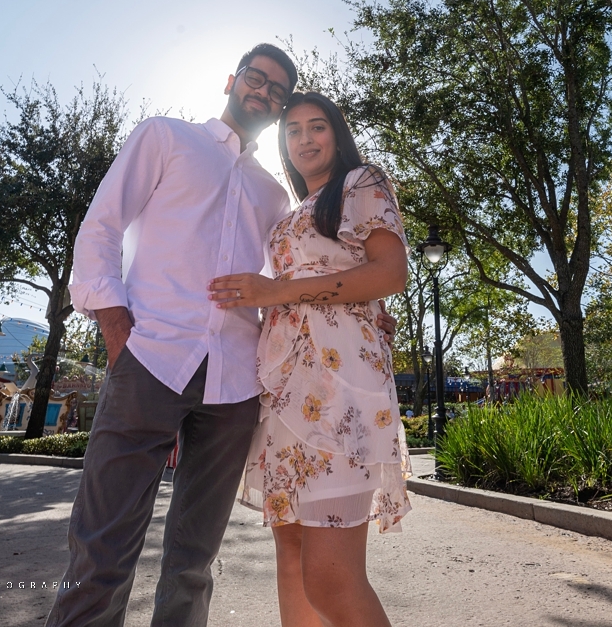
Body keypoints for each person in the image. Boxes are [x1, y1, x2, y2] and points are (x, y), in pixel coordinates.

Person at [46, 46, 395, 627]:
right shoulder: (166, 137)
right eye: (256, 80)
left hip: (236, 382)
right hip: (152, 358)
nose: (263, 92)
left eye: (277, 90)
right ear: (233, 80)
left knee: (193, 561)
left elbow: (296, 278)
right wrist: (115, 328)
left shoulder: (274, 197)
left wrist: (368, 312)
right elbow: (101, 224)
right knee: (101, 548)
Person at [209, 91, 411, 627]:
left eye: (317, 127)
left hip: (340, 389)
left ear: (336, 135)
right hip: (283, 392)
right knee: (292, 557)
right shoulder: (291, 212)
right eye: (293, 130)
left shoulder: (360, 183)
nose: (304, 138)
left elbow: (390, 272)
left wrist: (278, 292)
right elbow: (347, 275)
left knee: (330, 576)